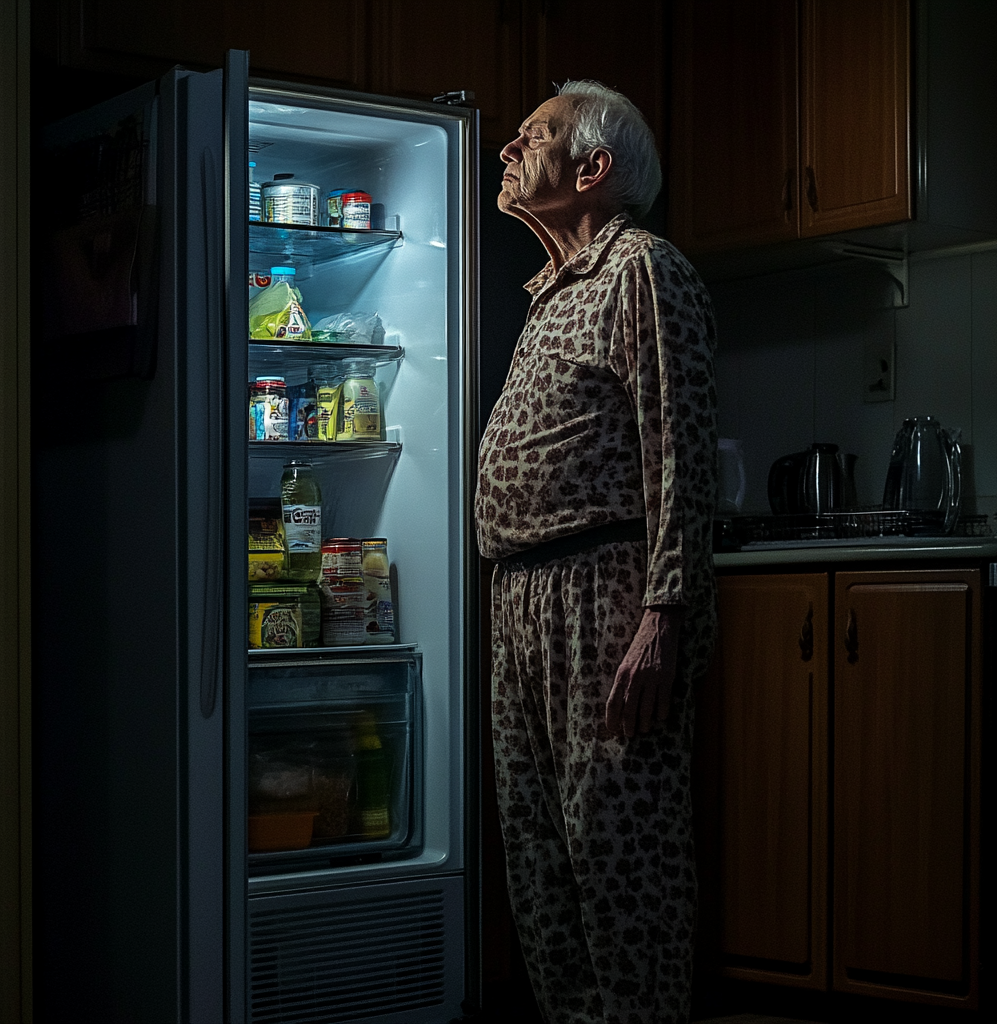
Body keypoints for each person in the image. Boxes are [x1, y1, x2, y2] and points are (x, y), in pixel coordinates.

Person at [475, 81, 718, 1024]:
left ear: (592, 168)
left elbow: (680, 451)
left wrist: (662, 617)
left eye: (530, 135)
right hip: (522, 601)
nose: (507, 148)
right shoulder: (551, 292)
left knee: (619, 857)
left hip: (606, 596)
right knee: (538, 861)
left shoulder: (643, 271)